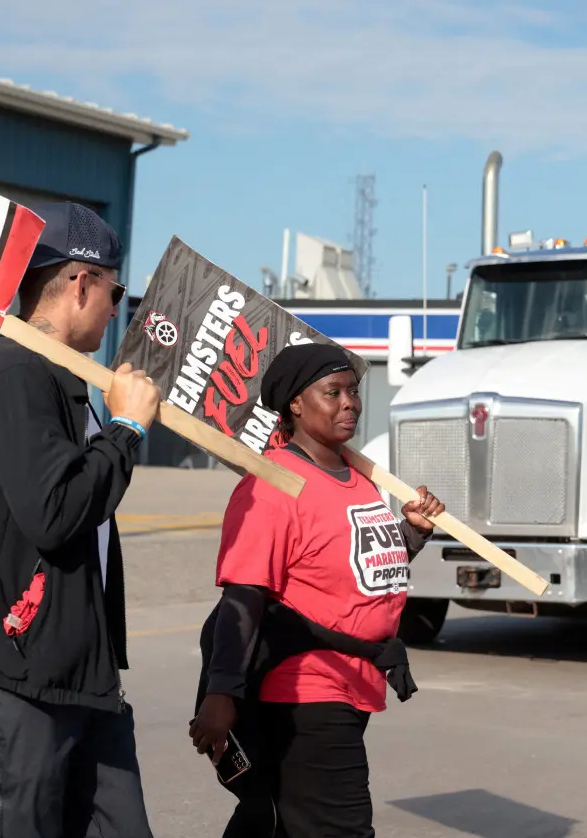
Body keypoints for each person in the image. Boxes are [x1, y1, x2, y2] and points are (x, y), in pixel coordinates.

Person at [0, 201, 162, 838]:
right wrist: (126, 431)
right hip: (14, 678)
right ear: (81, 282)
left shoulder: (62, 380)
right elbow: (56, 511)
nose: (117, 308)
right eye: (115, 291)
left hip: (78, 673)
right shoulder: (12, 374)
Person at [188, 341, 446, 837]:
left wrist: (411, 532)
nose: (350, 402)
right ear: (296, 406)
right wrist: (222, 693)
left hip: (354, 683)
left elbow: (362, 571)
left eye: (353, 390)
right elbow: (244, 597)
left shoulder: (361, 478)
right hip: (305, 691)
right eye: (333, 392)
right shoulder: (273, 486)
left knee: (277, 823)